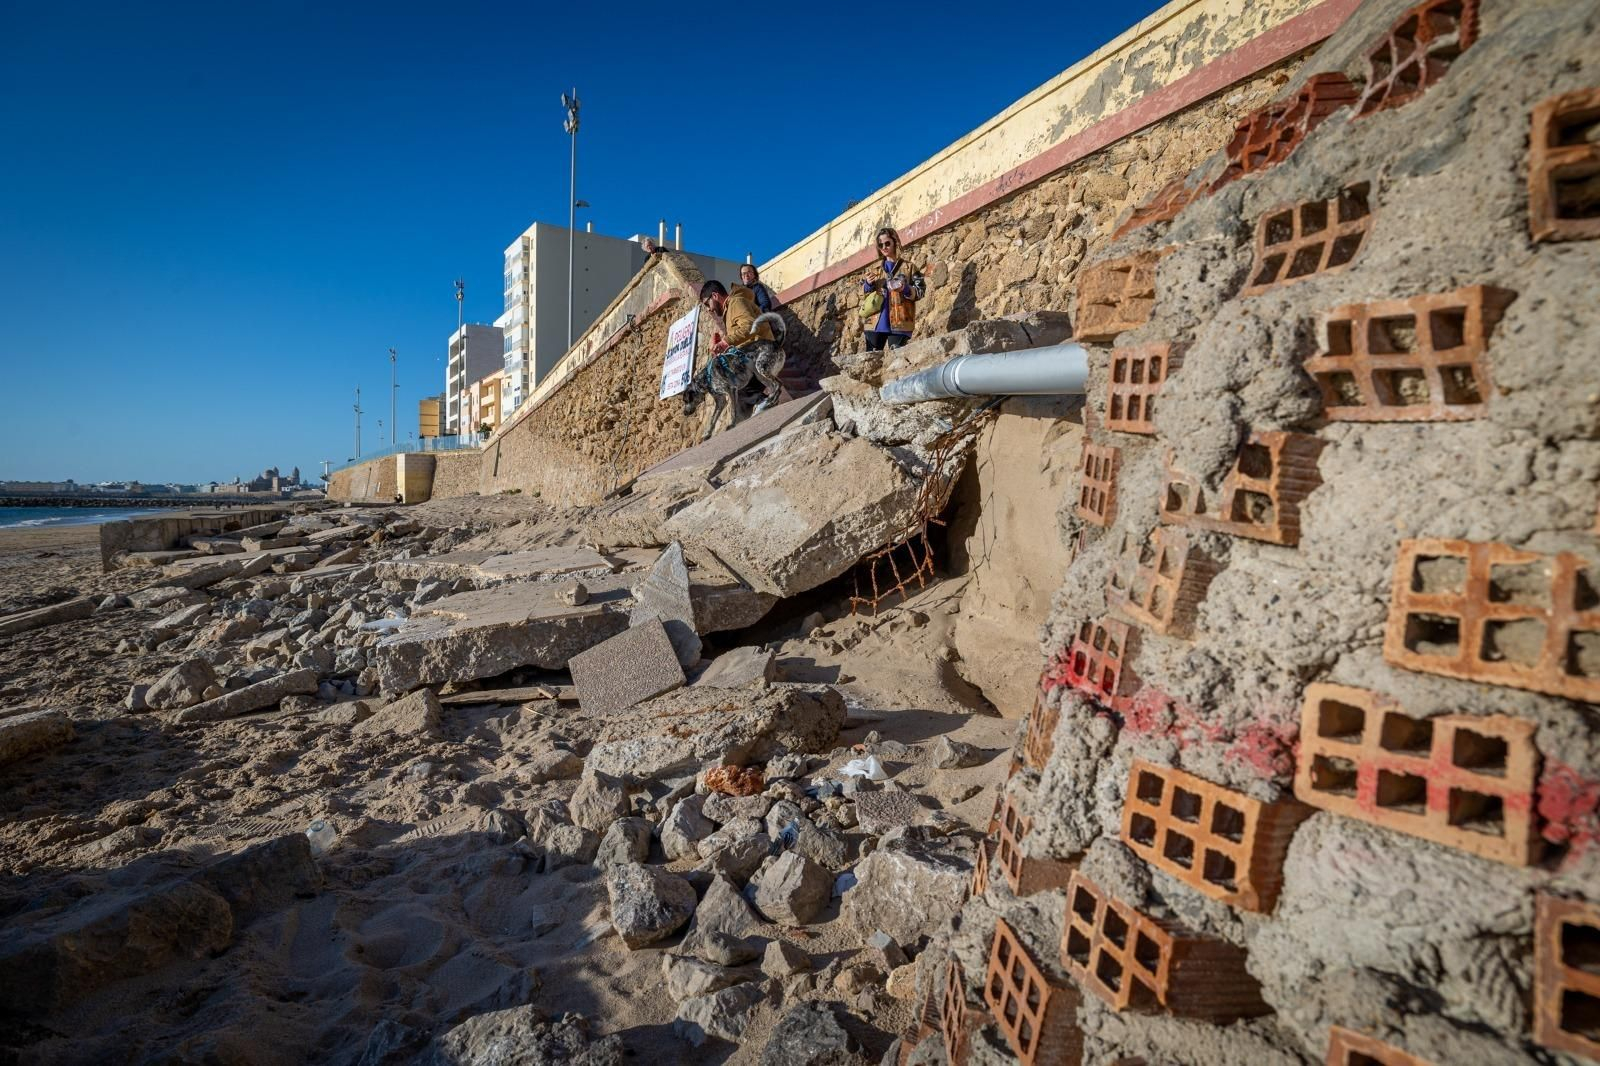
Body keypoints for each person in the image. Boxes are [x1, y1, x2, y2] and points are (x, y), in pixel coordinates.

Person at [860, 226, 925, 352]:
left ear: (895, 242)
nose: (884, 247)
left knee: (897, 361)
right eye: (880, 245)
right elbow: (862, 296)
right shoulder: (875, 270)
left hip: (901, 322)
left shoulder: (910, 268)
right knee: (870, 362)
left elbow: (921, 291)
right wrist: (868, 284)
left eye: (887, 243)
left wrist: (905, 289)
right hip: (875, 323)